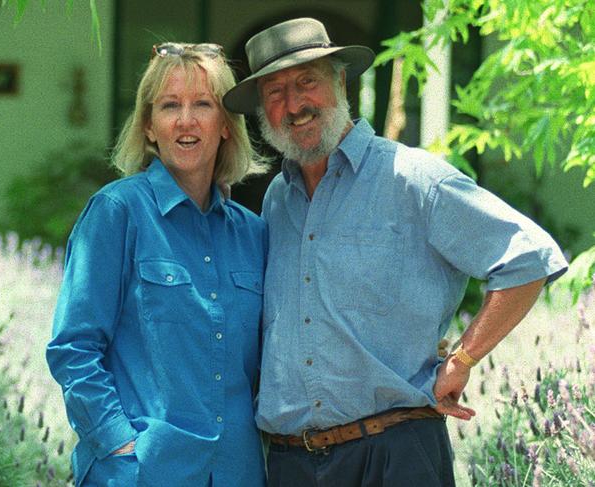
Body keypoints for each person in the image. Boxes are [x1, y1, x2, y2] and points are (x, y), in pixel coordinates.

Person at [223, 17, 569, 487]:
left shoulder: (414, 179)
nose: (293, 104)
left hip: (395, 456)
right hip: (291, 464)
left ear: (340, 81)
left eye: (307, 82)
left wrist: (463, 359)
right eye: (275, 92)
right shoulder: (277, 202)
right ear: (262, 109)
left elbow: (528, 257)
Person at [47, 42, 268, 487]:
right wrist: (119, 446)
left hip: (236, 473)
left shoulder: (253, 234)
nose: (186, 120)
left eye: (202, 104)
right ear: (149, 126)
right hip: (143, 472)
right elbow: (74, 349)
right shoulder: (116, 213)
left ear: (225, 125)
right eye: (170, 106)